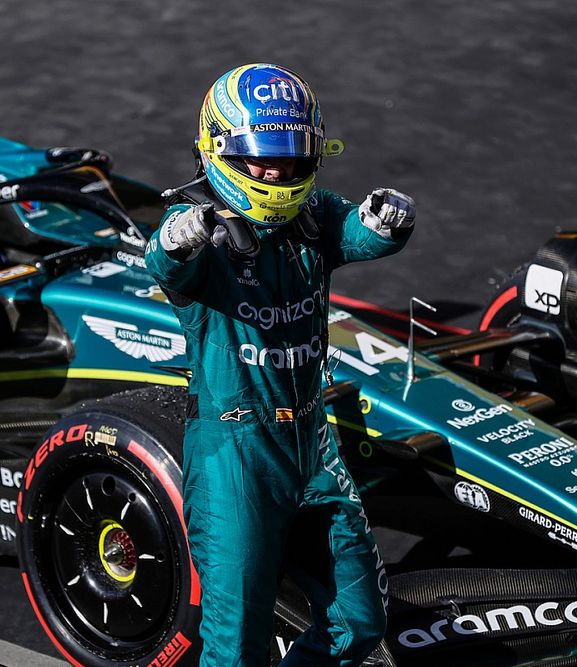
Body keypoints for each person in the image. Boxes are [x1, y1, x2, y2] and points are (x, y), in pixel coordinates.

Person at [144, 63, 416, 666]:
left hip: (313, 443)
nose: (277, 172)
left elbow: (362, 233)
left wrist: (388, 219)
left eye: (291, 158)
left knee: (360, 622)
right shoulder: (196, 231)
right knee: (236, 645)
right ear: (219, 149)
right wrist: (186, 232)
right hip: (234, 453)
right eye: (261, 158)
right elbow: (163, 260)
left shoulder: (314, 214)